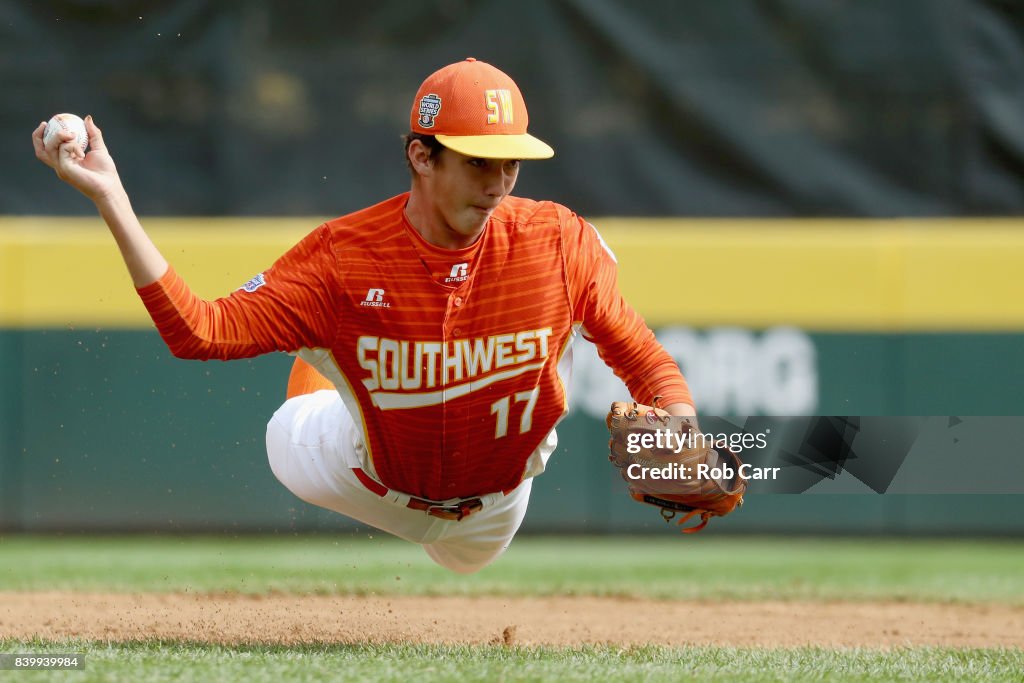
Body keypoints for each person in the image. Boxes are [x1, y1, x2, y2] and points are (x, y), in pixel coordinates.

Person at [32, 58, 695, 573]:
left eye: (512, 162)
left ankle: (333, 343)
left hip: (496, 510)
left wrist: (682, 424)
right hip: (364, 476)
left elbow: (639, 352)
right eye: (478, 162)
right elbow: (198, 330)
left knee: (554, 304)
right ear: (420, 156)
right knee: (288, 421)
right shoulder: (341, 260)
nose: (498, 182)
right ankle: (323, 353)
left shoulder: (556, 241)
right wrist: (111, 196)